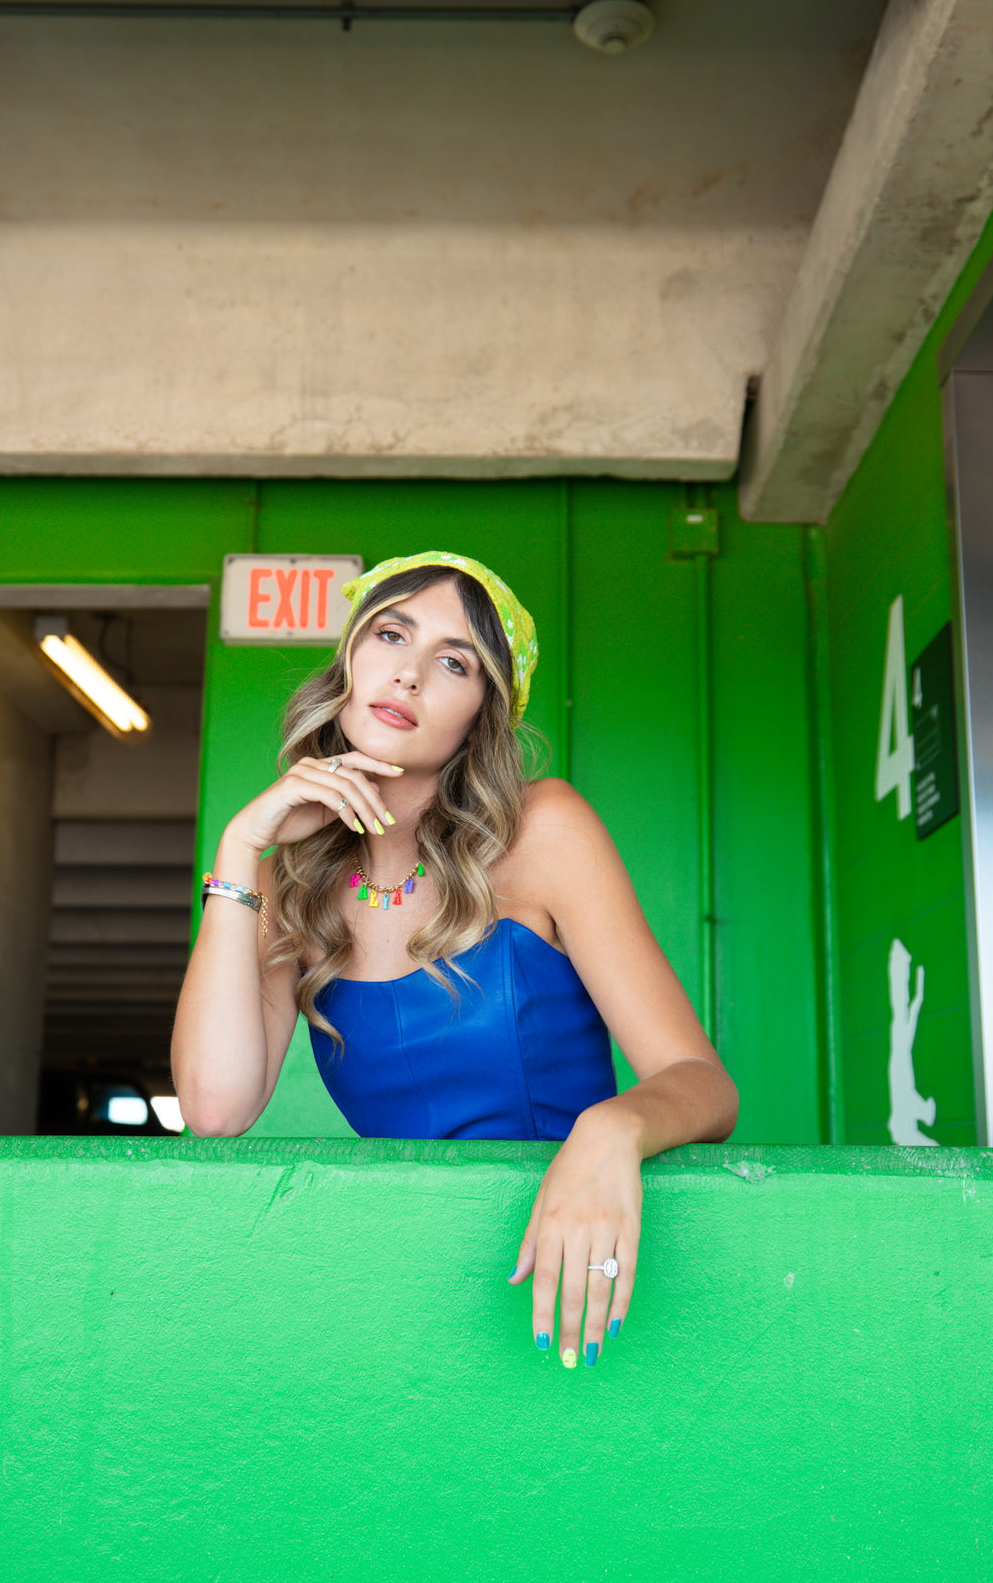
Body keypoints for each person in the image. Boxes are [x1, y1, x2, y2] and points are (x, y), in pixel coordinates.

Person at [172, 551, 737, 1369]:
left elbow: (703, 1083)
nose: (407, 675)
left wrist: (610, 1131)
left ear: (481, 715)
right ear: (349, 662)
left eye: (453, 662)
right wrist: (240, 845)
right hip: (403, 1302)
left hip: (571, 1283)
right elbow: (215, 1108)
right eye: (391, 635)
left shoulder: (543, 831)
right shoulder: (286, 875)